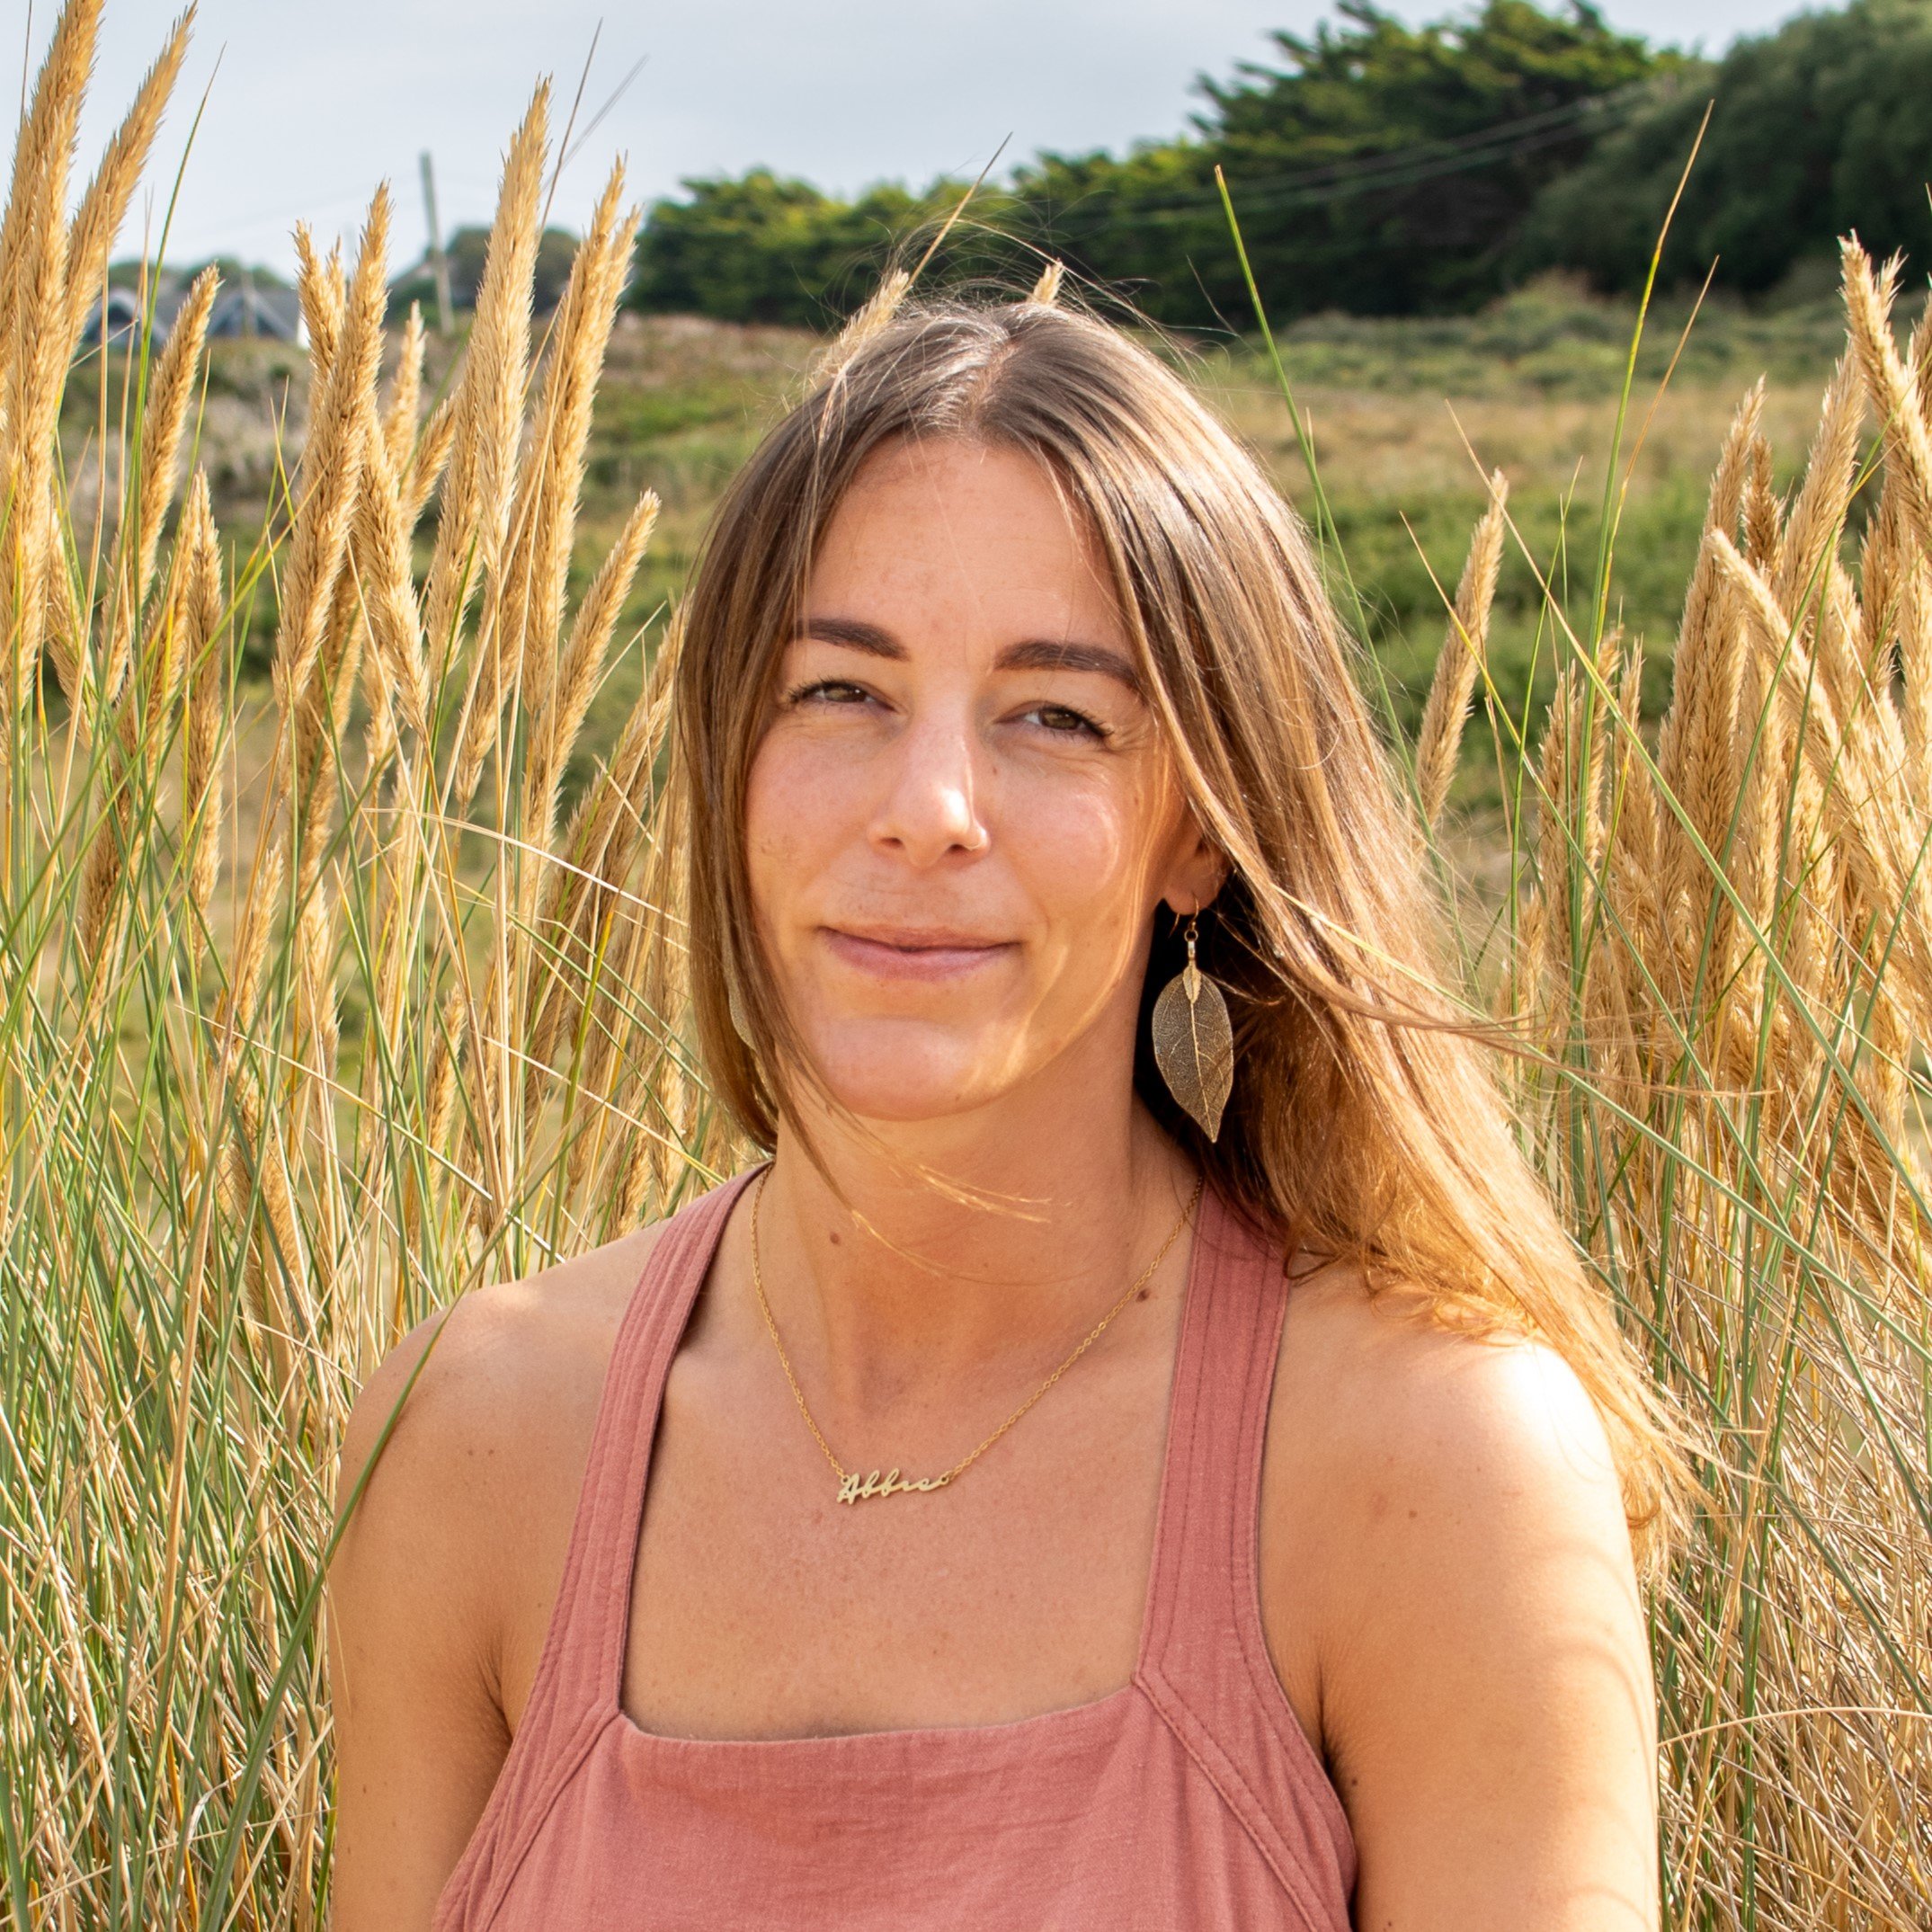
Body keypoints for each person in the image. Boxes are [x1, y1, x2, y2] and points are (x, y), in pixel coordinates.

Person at [325, 285, 1688, 1930]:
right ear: (727, 759)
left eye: (1055, 716)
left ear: (1200, 829)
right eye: (840, 692)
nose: (929, 809)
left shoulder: (1428, 1461)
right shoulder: (470, 1439)